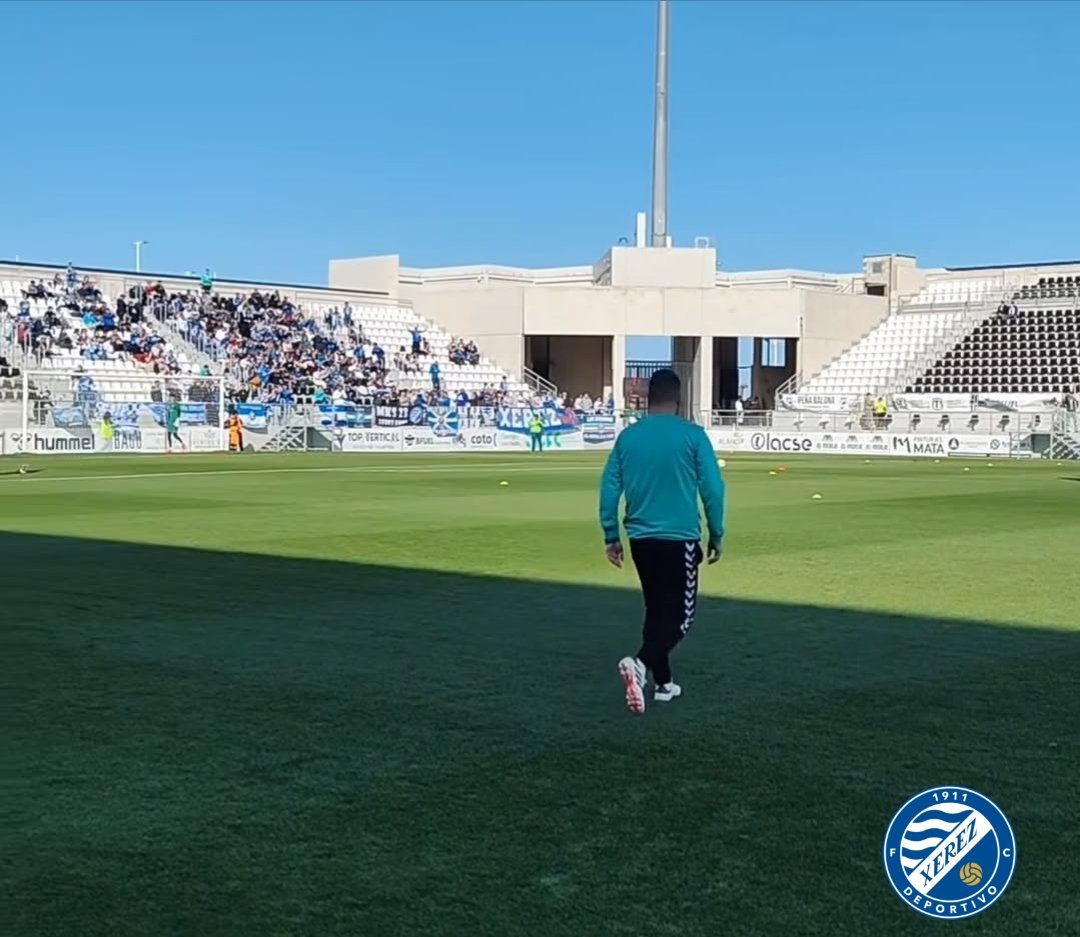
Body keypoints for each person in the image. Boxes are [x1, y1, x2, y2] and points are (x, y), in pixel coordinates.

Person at [599, 368, 725, 715]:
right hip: (679, 538)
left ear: (646, 398)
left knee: (657, 610)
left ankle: (665, 684)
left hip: (641, 539)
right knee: (681, 617)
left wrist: (611, 534)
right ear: (679, 398)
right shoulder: (693, 436)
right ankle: (640, 664)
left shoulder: (628, 438)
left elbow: (609, 488)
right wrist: (717, 533)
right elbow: (713, 489)